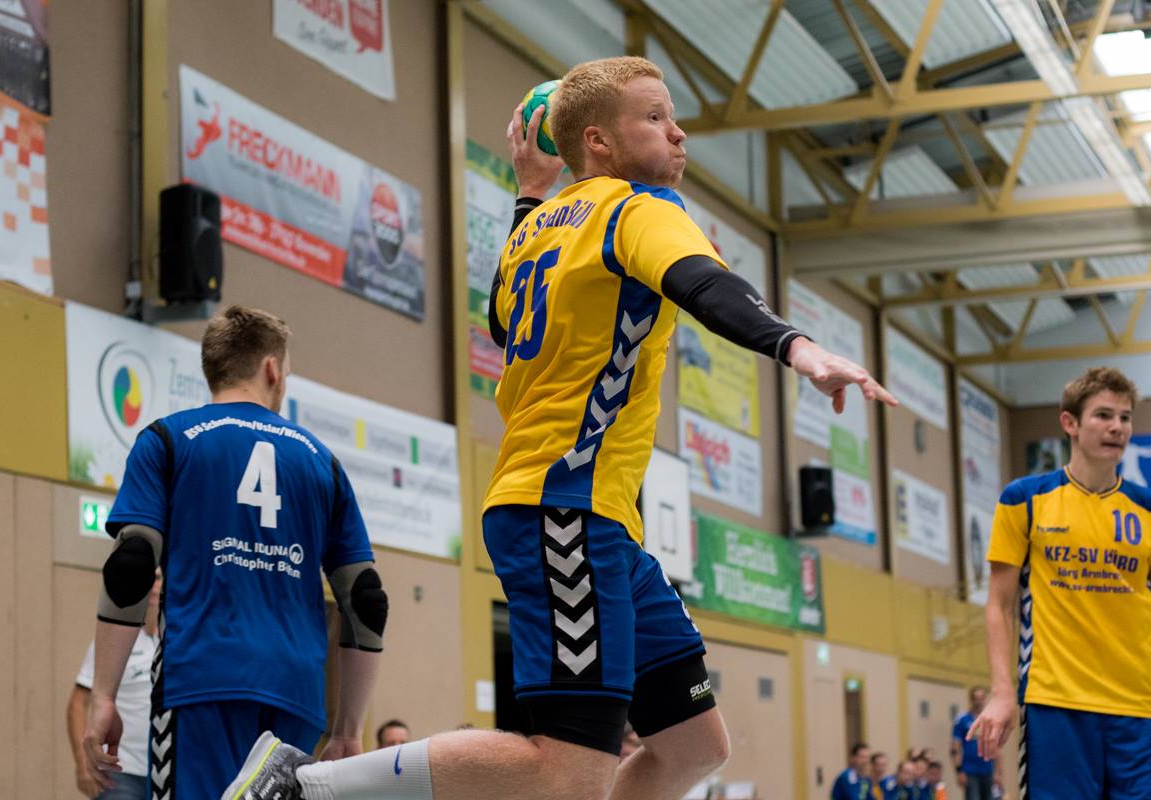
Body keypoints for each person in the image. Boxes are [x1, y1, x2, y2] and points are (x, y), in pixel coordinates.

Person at [222, 54, 894, 800]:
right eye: (655, 118)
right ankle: (304, 786)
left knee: (694, 746)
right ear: (598, 141)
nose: (678, 134)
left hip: (591, 515)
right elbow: (704, 284)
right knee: (567, 769)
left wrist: (530, 191)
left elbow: (502, 319)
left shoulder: (539, 226)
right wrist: (799, 349)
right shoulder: (639, 210)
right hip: (563, 508)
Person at [81, 306, 387, 799]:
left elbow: (131, 564)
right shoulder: (322, 461)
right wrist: (348, 730)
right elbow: (367, 599)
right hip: (296, 691)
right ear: (271, 369)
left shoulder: (167, 440)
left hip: (200, 678)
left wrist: (103, 697)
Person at [968, 367, 1151, 799]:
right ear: (1069, 423)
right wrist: (1002, 692)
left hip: (1137, 709)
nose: (1117, 427)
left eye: (1125, 417)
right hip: (1057, 707)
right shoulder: (1025, 499)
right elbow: (999, 604)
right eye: (1103, 415)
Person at [68, 572, 161, 799]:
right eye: (147, 577)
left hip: (168, 772)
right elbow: (78, 703)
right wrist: (83, 763)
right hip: (120, 772)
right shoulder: (115, 641)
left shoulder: (179, 642)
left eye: (158, 578)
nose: (152, 585)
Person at [950, 687, 995, 800]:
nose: (979, 701)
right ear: (971, 700)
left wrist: (998, 772)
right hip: (969, 771)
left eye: (981, 698)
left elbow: (996, 747)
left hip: (987, 769)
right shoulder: (962, 720)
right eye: (976, 698)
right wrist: (959, 771)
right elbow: (955, 747)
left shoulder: (990, 719)